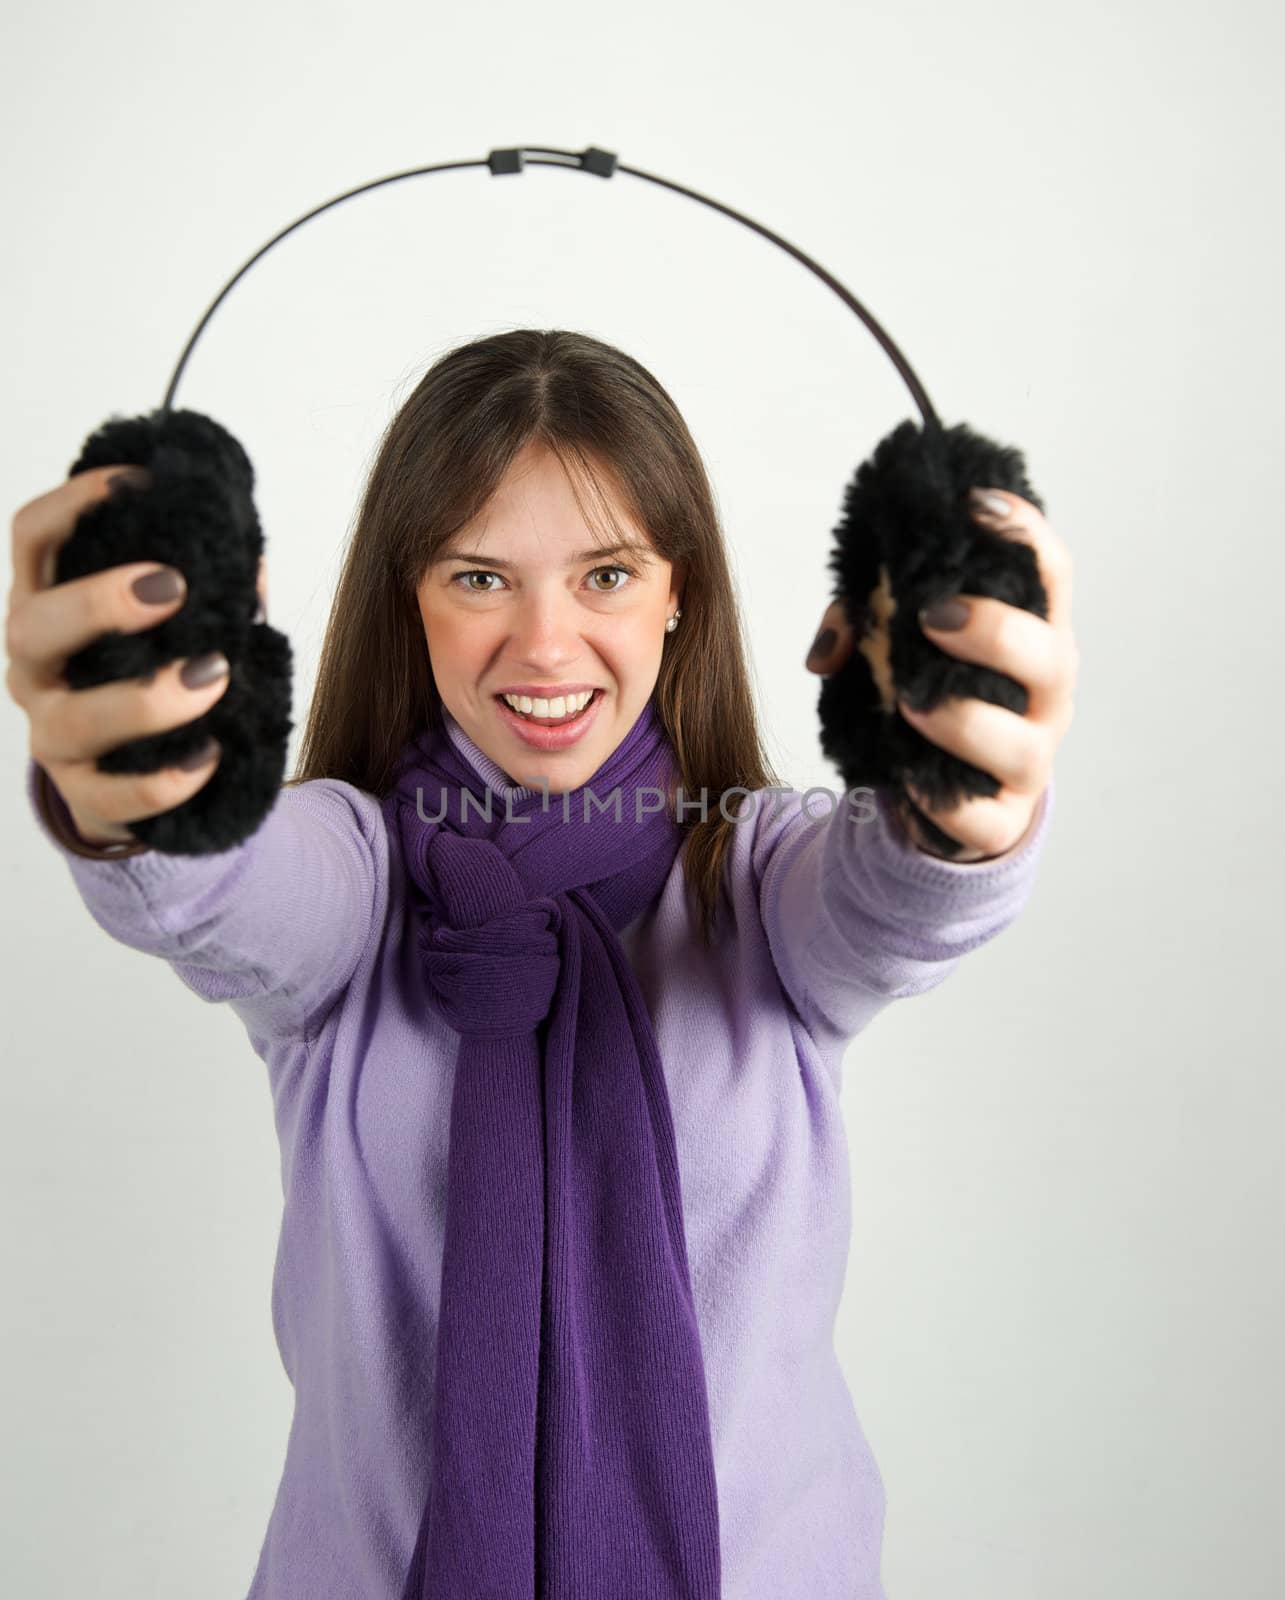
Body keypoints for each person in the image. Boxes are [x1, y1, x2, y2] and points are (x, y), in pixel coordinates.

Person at [7, 328, 1076, 1598]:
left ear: (680, 588)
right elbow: (228, 883)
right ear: (411, 594)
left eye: (608, 574)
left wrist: (958, 787)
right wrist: (145, 780)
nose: (546, 646)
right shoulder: (358, 877)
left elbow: (894, 897)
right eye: (477, 578)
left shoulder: (754, 874)